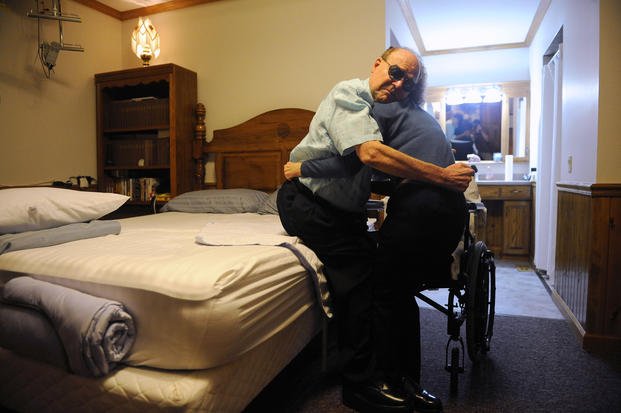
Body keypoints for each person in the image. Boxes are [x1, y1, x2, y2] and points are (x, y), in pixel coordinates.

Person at [277, 47, 473, 413]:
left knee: (390, 285)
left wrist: (303, 167)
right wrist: (444, 176)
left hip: (342, 213)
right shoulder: (348, 95)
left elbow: (355, 165)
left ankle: (404, 380)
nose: (398, 84)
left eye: (406, 82)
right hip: (307, 202)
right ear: (377, 64)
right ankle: (361, 384)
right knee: (362, 280)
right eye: (395, 71)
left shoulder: (375, 115)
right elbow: (368, 155)